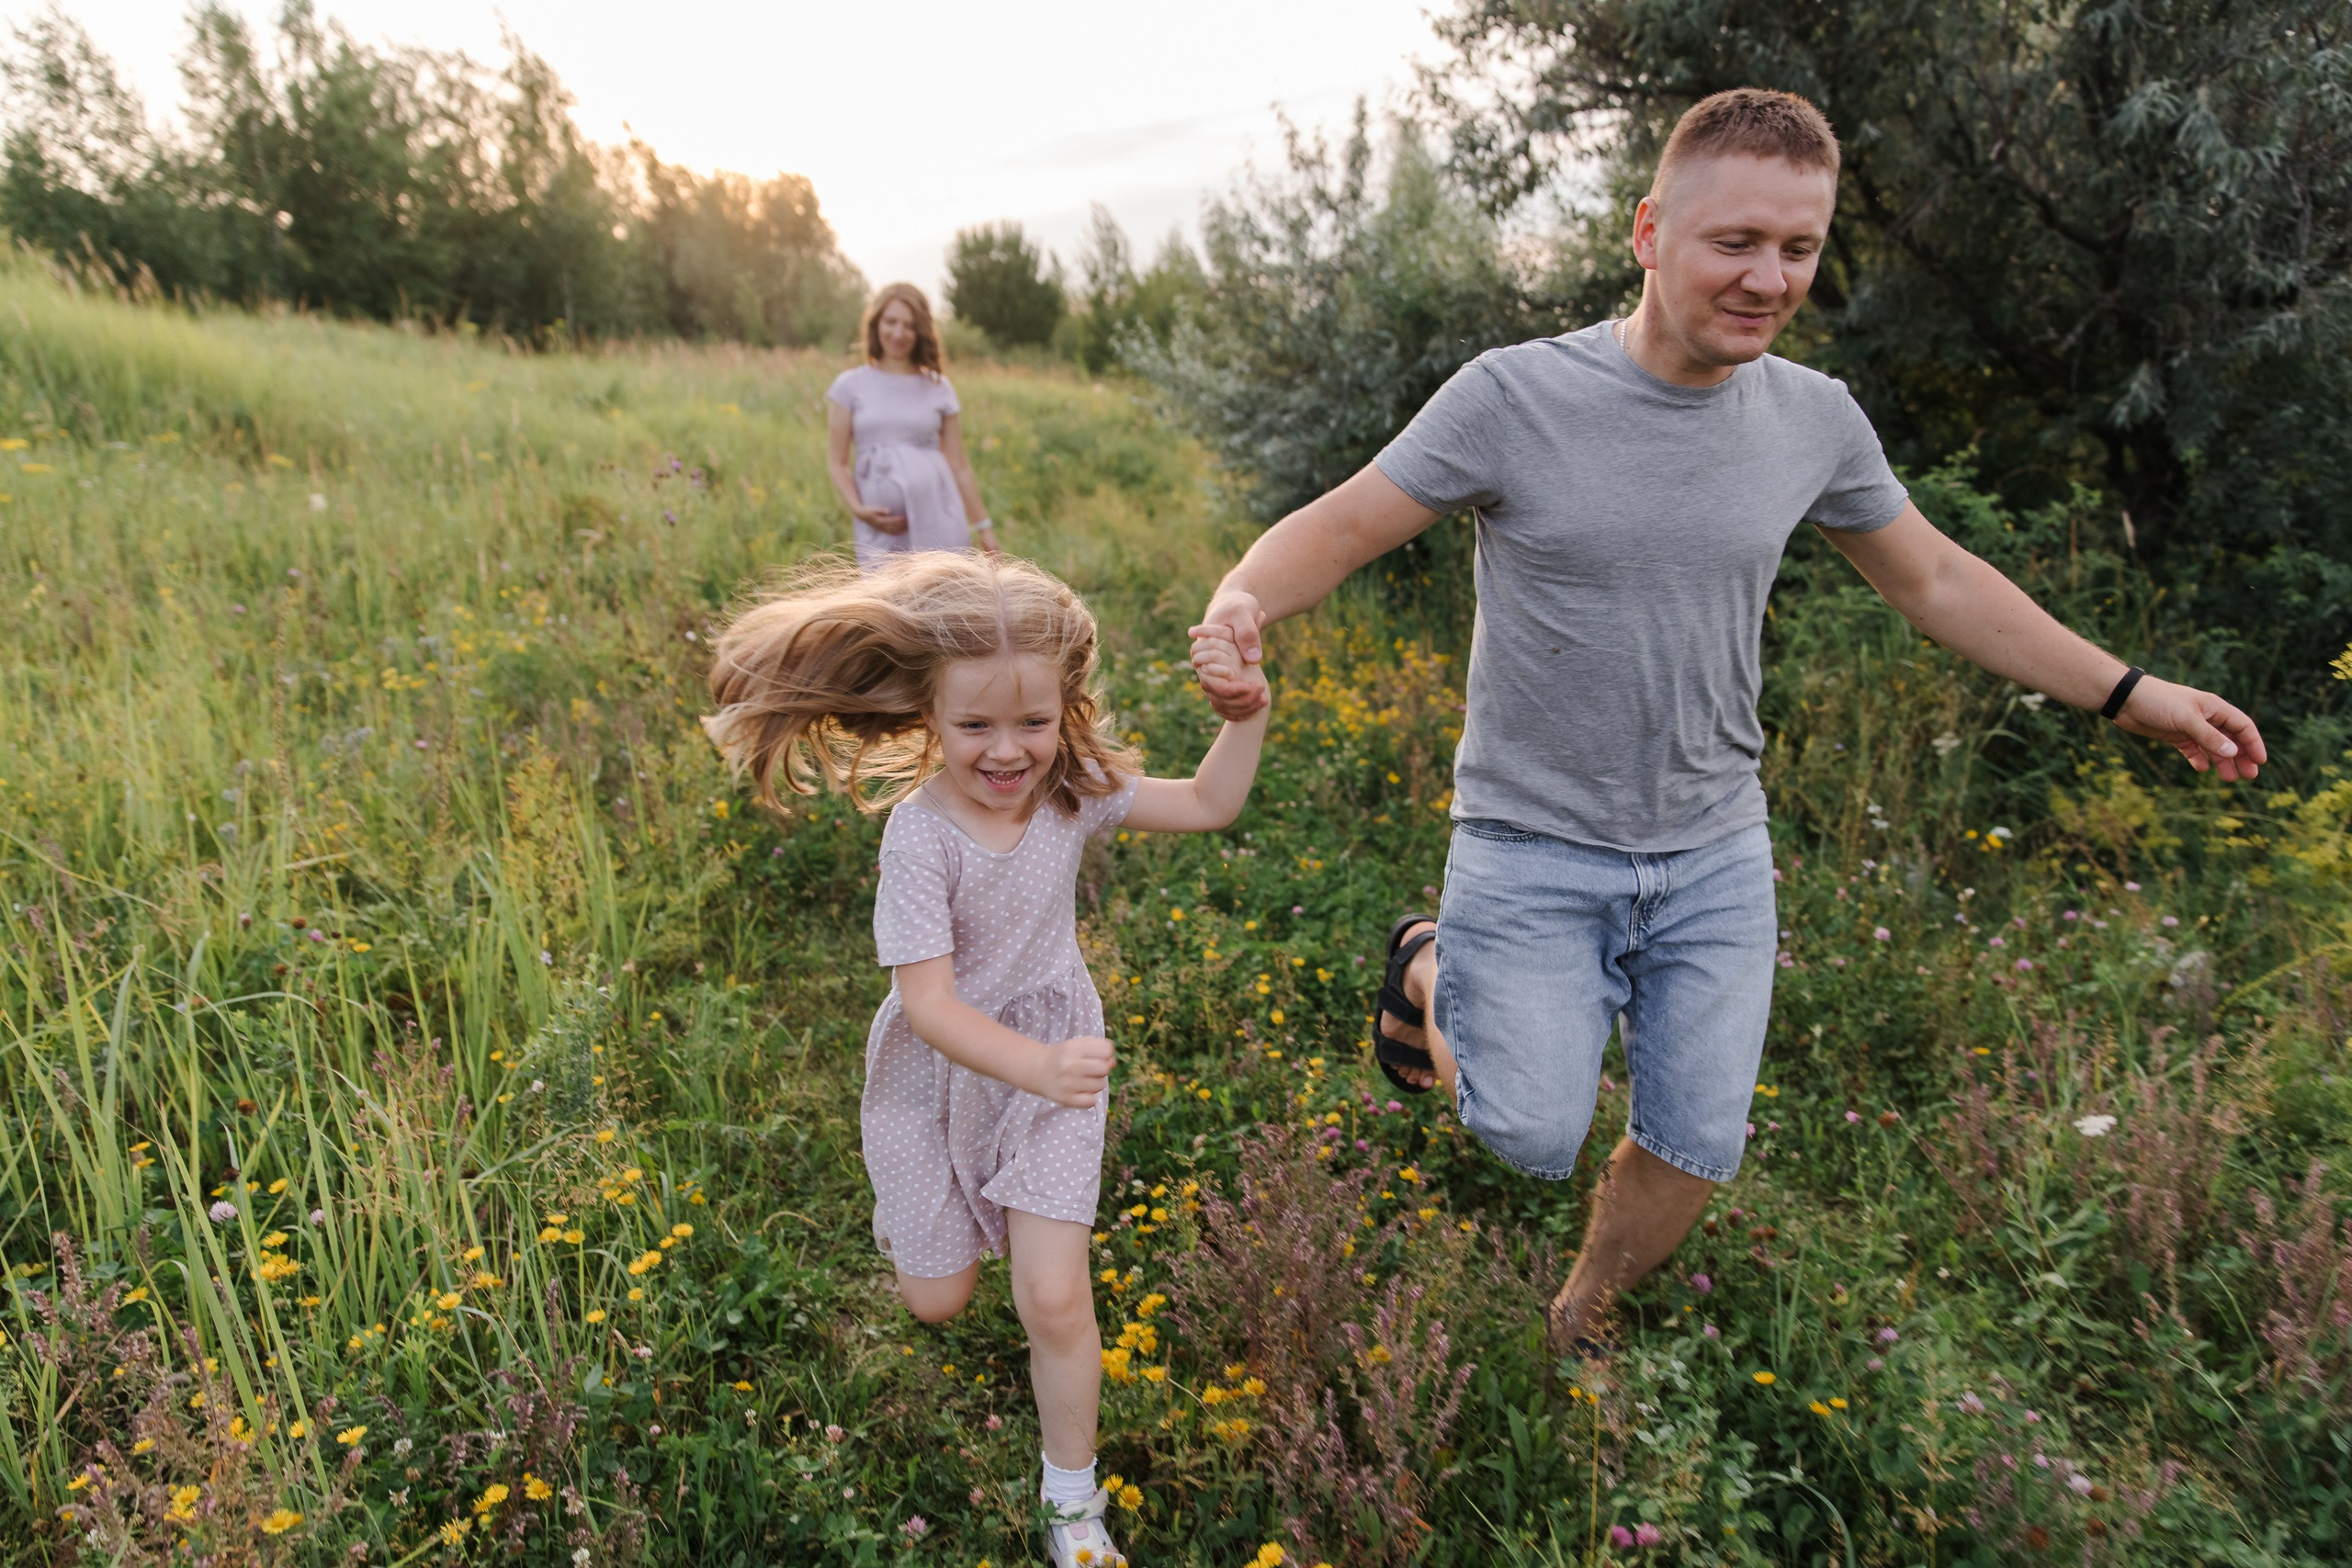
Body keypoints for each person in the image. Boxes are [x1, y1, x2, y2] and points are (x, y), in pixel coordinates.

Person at [1189, 88, 2267, 1359]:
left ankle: (1578, 1313)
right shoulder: (1513, 399)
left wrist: (2130, 692)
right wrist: (1239, 603)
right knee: (1529, 1131)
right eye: (1735, 243)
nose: (1770, 279)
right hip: (1532, 843)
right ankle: (1428, 961)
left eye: (1799, 250)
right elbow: (1344, 523)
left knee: (1700, 1141)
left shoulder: (1813, 420)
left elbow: (1936, 580)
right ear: (1650, 230)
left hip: (1710, 848)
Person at [703, 552, 1268, 1568]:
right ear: (927, 716)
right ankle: (925, 1204)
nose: (1008, 751)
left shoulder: (1074, 788)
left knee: (1053, 1297)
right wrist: (1034, 1067)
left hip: (1054, 1065)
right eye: (975, 727)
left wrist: (1246, 712)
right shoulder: (920, 840)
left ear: (1067, 706)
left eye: (1033, 722)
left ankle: (1070, 1505)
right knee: (939, 1299)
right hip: (940, 1075)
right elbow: (928, 1008)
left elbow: (1209, 805)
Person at [826, 283, 1001, 569]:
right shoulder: (850, 386)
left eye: (909, 325)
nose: (898, 333)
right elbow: (837, 461)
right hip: (881, 529)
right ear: (876, 323)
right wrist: (858, 509)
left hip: (941, 520)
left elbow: (960, 465)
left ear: (920, 331)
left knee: (946, 601)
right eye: (891, 322)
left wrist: (984, 526)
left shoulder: (938, 386)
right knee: (887, 607)